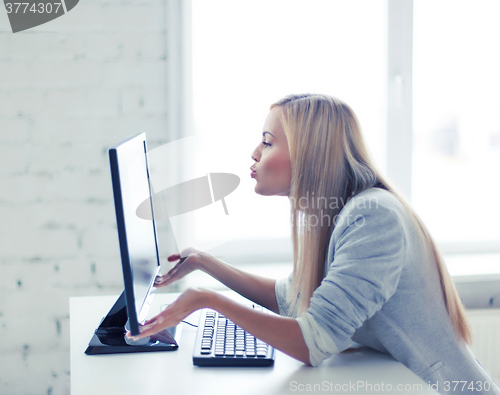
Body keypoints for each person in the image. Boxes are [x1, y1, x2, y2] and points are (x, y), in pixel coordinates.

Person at [129, 94, 500, 394]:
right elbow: (292, 298)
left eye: (267, 142)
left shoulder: (373, 217)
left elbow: (312, 344)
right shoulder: (339, 214)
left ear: (309, 153)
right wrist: (207, 264)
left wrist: (206, 300)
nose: (254, 153)